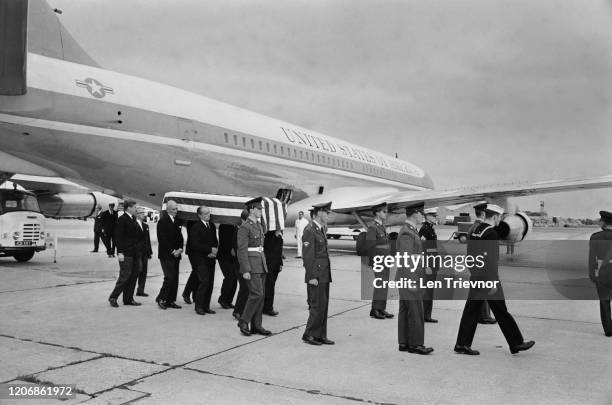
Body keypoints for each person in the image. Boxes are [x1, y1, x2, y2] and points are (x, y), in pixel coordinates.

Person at [455, 204, 535, 355]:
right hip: (488, 278)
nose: (501, 219)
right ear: (496, 217)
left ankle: (462, 344)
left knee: (471, 311)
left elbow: (471, 256)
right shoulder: (490, 233)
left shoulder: (476, 231)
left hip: (477, 276)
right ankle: (516, 343)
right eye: (500, 217)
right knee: (501, 310)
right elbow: (491, 260)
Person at [396, 202, 433, 355]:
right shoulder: (407, 232)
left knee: (405, 310)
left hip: (408, 277)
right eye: (422, 214)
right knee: (416, 310)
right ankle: (416, 344)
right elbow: (406, 260)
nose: (423, 217)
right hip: (410, 278)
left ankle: (404, 342)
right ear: (415, 213)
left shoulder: (410, 230)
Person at [236, 197, 271, 336]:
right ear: (251, 210)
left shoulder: (259, 225)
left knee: (260, 296)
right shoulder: (245, 227)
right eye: (259, 209)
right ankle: (244, 321)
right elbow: (242, 250)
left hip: (260, 263)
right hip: (251, 265)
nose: (261, 211)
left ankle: (257, 325)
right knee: (257, 294)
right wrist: (245, 269)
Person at [301, 201, 334, 346]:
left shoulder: (320, 229)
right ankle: (309, 334)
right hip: (316, 274)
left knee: (324, 305)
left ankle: (320, 335)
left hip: (324, 274)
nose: (328, 215)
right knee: (316, 306)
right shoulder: (310, 230)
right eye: (327, 212)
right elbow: (308, 256)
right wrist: (312, 276)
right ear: (319, 213)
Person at [108, 200, 144, 307]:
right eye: (134, 207)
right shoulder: (122, 219)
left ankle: (128, 299)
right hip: (126, 253)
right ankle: (113, 297)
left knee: (133, 277)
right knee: (125, 276)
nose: (136, 209)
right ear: (128, 208)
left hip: (134, 253)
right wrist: (119, 252)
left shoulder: (133, 219)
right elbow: (118, 237)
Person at [467, 203, 496, 325]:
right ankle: (484, 315)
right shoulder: (482, 228)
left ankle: (479, 314)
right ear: (484, 213)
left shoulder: (473, 226)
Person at [365, 202, 394, 320]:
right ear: (377, 213)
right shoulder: (373, 228)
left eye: (386, 211)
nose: (386, 214)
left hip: (385, 261)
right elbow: (370, 247)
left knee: (384, 285)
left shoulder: (382, 227)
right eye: (384, 211)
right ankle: (375, 309)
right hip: (378, 261)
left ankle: (381, 308)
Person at [190, 206, 219, 315]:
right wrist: (209, 250)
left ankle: (206, 306)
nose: (208, 215)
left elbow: (215, 240)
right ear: (200, 215)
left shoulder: (211, 225)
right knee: (204, 282)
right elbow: (195, 244)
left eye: (209, 213)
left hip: (211, 259)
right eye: (206, 214)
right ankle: (199, 306)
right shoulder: (196, 227)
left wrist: (214, 251)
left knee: (210, 283)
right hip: (201, 259)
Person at [155, 200, 184, 310]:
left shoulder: (176, 221)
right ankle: (161, 298)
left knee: (175, 278)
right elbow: (162, 240)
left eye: (176, 209)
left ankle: (171, 300)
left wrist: (180, 248)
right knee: (169, 277)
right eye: (173, 209)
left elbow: (180, 237)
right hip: (166, 255)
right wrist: (173, 251)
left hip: (176, 254)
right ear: (167, 210)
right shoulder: (162, 221)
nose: (176, 211)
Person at [588, 210, 612, 337]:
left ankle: (609, 329)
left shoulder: (596, 237)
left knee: (604, 301)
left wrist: (592, 275)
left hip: (603, 273)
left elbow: (592, 258)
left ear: (603, 222)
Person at [419, 209, 439, 323]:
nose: (435, 217)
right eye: (433, 215)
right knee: (426, 290)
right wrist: (426, 265)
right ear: (427, 216)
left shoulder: (430, 228)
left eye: (435, 215)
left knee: (430, 290)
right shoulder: (424, 229)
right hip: (428, 263)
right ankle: (423, 314)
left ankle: (427, 315)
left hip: (433, 262)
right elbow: (422, 250)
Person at [232, 210, 250, 320]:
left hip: (247, 263)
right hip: (239, 264)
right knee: (244, 288)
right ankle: (238, 311)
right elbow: (237, 250)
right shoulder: (238, 231)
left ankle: (242, 310)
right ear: (243, 220)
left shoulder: (247, 231)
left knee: (247, 288)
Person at [217, 223, 238, 309]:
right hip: (224, 256)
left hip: (233, 257)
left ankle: (228, 300)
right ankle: (223, 299)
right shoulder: (225, 226)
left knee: (234, 279)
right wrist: (232, 248)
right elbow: (225, 241)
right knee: (229, 277)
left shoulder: (235, 226)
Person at [263, 229, 284, 316]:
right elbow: (266, 249)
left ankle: (266, 306)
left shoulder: (279, 237)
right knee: (269, 285)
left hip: (276, 265)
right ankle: (268, 308)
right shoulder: (268, 236)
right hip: (268, 265)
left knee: (271, 285)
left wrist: (280, 263)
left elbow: (280, 252)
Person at [136, 207, 153, 297]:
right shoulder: (134, 224)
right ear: (137, 214)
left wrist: (149, 252)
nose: (144, 214)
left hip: (145, 252)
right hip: (137, 252)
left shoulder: (146, 226)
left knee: (144, 272)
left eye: (143, 212)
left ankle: (140, 290)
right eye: (141, 213)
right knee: (138, 270)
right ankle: (129, 290)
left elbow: (148, 240)